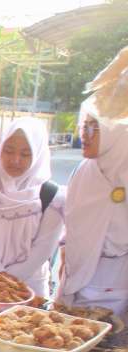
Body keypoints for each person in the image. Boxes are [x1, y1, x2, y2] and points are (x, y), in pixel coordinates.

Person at [0, 118, 63, 298]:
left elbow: (43, 249)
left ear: (38, 154)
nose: (15, 160)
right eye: (8, 150)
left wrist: (7, 283)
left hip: (27, 290)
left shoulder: (52, 197)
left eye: (25, 154)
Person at [58, 101, 128, 315]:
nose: (84, 135)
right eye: (83, 126)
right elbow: (71, 223)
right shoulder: (84, 172)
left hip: (118, 283)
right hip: (76, 276)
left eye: (92, 128)